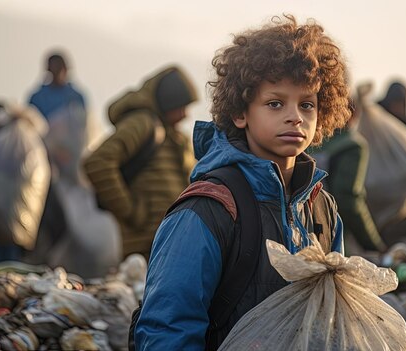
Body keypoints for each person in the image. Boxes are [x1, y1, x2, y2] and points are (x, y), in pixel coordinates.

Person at [134, 15, 349, 350]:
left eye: (307, 104)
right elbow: (167, 328)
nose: (295, 116)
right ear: (240, 112)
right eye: (275, 103)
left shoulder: (322, 208)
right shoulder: (208, 209)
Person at [83, 65, 198, 258]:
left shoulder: (177, 137)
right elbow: (98, 162)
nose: (185, 115)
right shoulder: (142, 123)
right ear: (167, 102)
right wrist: (131, 211)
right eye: (181, 107)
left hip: (174, 241)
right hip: (145, 246)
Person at [309, 99, 387, 255]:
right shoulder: (352, 146)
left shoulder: (311, 139)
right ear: (353, 115)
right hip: (328, 233)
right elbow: (348, 199)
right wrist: (373, 244)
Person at [28, 51, 86, 120]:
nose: (57, 74)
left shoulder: (75, 97)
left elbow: (82, 123)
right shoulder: (38, 98)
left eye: (59, 69)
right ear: (48, 71)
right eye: (54, 70)